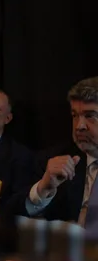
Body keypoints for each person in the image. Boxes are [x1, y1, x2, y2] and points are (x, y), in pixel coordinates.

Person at [10, 77, 98, 237]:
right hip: (65, 249)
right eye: (75, 116)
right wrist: (43, 189)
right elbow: (11, 218)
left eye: (90, 116)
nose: (79, 126)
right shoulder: (52, 161)